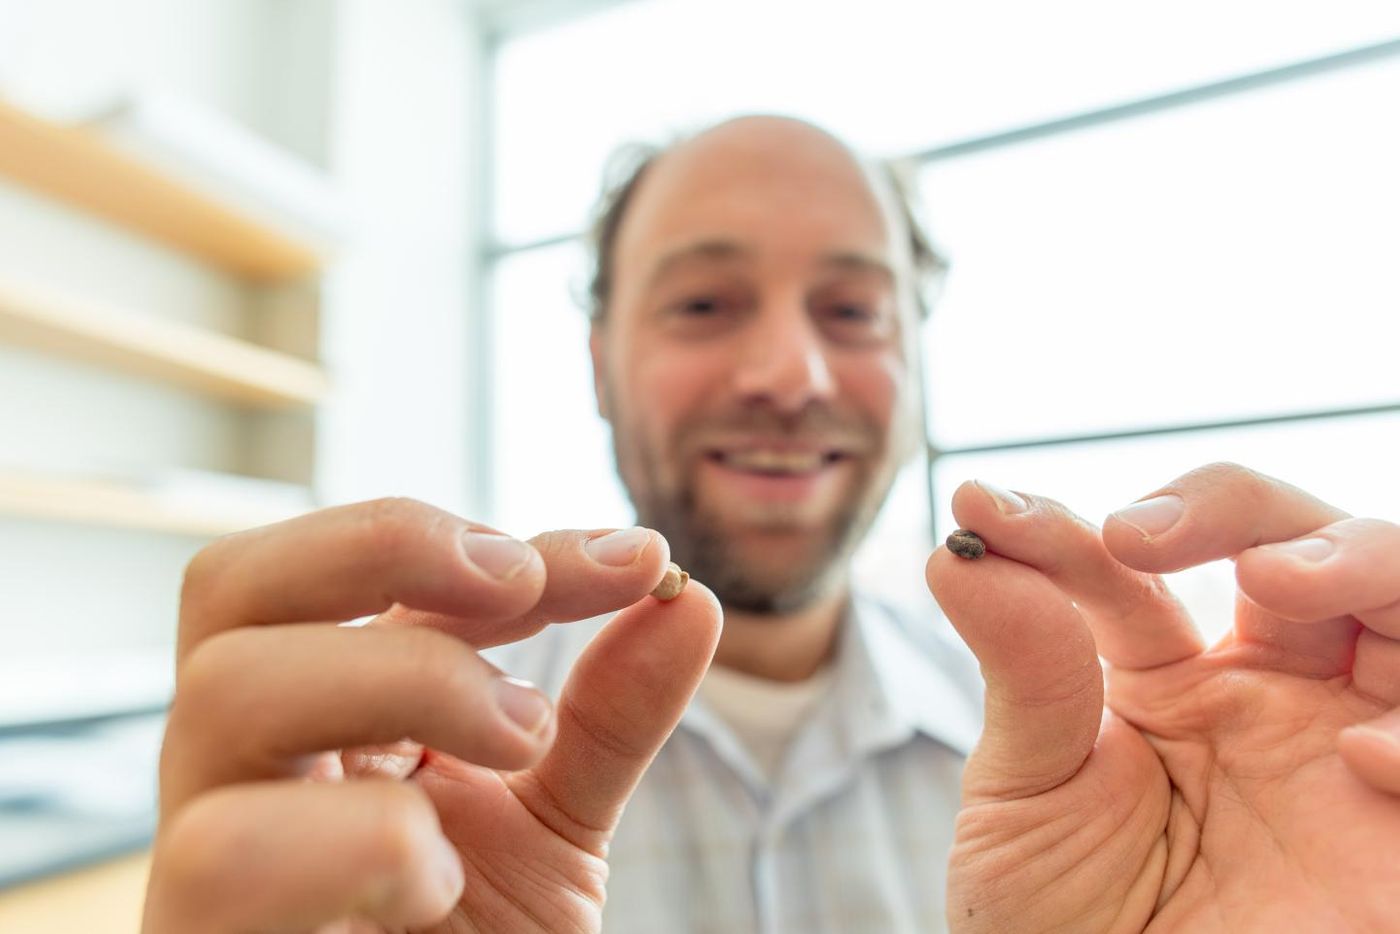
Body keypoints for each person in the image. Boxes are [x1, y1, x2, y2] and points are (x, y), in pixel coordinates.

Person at [141, 116, 1400, 933]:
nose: (789, 372)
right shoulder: (391, 773)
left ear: (915, 362)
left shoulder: (1141, 778)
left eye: (851, 311)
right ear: (595, 361)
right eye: (701, 303)